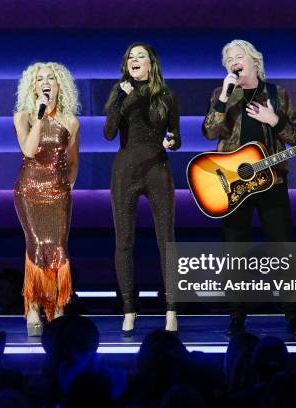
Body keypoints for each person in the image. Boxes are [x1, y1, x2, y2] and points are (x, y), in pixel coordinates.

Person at [202, 39, 296, 336]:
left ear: (254, 61)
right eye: (228, 58)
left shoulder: (277, 93)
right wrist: (223, 96)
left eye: (239, 56)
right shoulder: (222, 95)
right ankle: (236, 316)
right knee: (234, 251)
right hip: (232, 184)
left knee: (283, 248)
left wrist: (274, 120)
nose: (234, 60)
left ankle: (292, 315)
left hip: (271, 180)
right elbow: (210, 132)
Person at [104, 43, 181, 335]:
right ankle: (128, 309)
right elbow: (109, 133)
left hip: (157, 169)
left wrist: (172, 141)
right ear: (127, 65)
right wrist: (122, 98)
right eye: (131, 57)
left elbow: (176, 136)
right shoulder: (120, 93)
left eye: (141, 57)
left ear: (151, 64)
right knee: (124, 240)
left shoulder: (167, 96)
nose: (135, 61)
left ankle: (171, 309)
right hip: (125, 171)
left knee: (166, 240)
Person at [13, 62, 80, 336]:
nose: (45, 82)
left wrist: (67, 186)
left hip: (59, 192)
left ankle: (57, 307)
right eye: (40, 79)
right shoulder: (24, 116)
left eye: (50, 78)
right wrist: (40, 117)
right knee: (38, 245)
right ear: (33, 86)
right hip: (29, 191)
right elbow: (29, 150)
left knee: (58, 248)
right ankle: (33, 307)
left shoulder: (71, 121)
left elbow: (74, 160)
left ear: (59, 84)